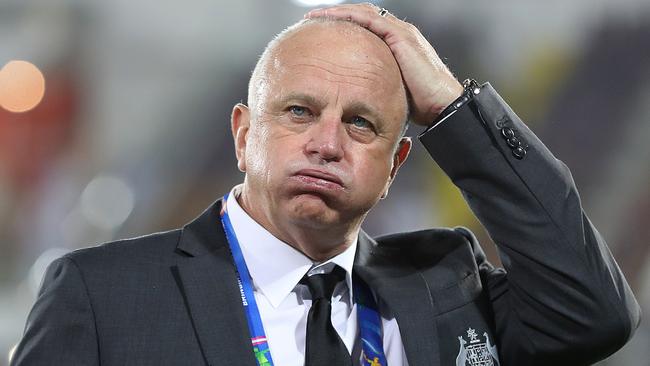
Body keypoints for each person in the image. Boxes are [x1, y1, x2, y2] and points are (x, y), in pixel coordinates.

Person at [11, 3, 641, 366]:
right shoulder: (100, 294)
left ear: (395, 166)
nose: (327, 142)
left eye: (361, 124)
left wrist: (455, 107)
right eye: (299, 112)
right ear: (241, 135)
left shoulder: (448, 284)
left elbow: (595, 314)